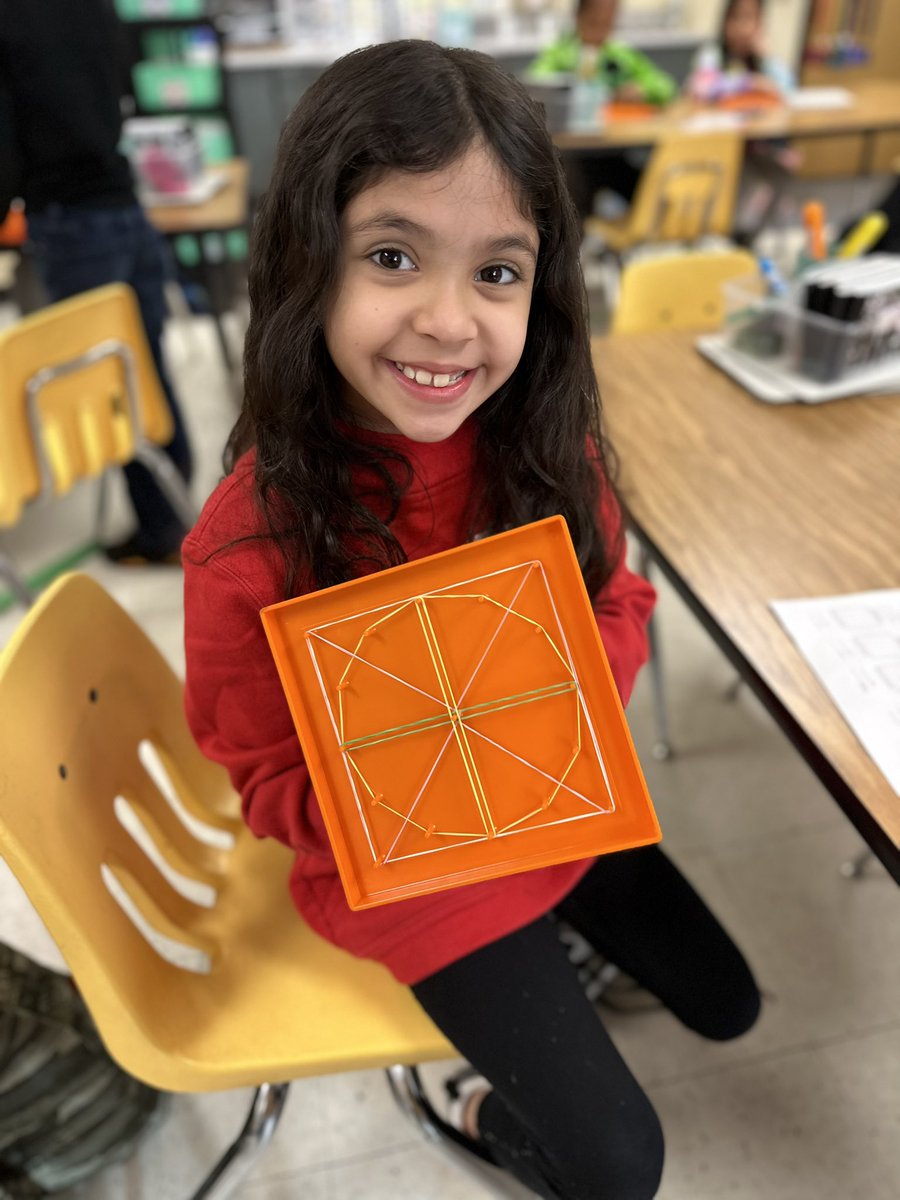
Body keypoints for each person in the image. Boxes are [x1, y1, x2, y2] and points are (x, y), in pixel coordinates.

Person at [182, 41, 760, 1200]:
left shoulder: (544, 444)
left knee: (730, 1003)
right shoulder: (246, 545)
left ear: (539, 288)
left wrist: (542, 709)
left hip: (548, 793)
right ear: (308, 261)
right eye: (394, 257)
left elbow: (618, 593)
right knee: (616, 1165)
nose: (450, 322)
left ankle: (569, 967)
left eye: (497, 272)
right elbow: (260, 781)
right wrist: (417, 780)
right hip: (407, 874)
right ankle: (485, 1104)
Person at [0, 0, 193, 565]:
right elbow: (121, 89)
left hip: (68, 216)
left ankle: (161, 527)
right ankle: (172, 506)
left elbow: (5, 147)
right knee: (141, 365)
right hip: (124, 202)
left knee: (108, 382)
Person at [529, 0, 677, 223]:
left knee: (647, 182)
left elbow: (665, 86)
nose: (600, 31)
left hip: (613, 148)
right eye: (594, 22)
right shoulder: (560, 54)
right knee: (568, 181)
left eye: (608, 23)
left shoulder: (619, 55)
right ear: (578, 18)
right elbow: (535, 85)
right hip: (574, 153)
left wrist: (640, 90)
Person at [686, 0, 800, 243]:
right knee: (736, 186)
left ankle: (749, 239)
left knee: (781, 176)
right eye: (735, 18)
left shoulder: (762, 62)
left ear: (760, 25)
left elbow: (788, 92)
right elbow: (702, 88)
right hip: (716, 149)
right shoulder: (712, 55)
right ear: (725, 22)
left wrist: (766, 57)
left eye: (750, 19)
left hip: (755, 146)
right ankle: (724, 235)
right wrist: (749, 82)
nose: (741, 27)